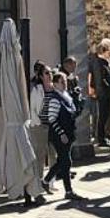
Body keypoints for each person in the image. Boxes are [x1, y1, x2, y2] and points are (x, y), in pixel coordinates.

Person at [38, 65, 80, 201]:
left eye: (65, 81)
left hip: (68, 133)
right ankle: (68, 191)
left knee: (63, 161)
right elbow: (51, 118)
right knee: (66, 161)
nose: (65, 84)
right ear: (55, 84)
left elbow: (73, 112)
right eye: (62, 82)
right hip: (59, 135)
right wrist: (61, 133)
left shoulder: (66, 96)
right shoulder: (55, 98)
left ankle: (45, 181)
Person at [91, 40, 110, 147]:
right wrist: (109, 88)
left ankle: (103, 136)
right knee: (103, 116)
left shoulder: (104, 62)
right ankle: (101, 138)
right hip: (104, 94)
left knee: (105, 115)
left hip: (107, 93)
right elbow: (100, 79)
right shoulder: (99, 62)